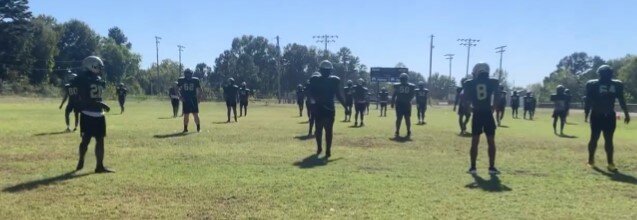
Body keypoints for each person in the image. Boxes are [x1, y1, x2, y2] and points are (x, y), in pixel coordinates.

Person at [585, 65, 630, 172]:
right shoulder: (615, 84)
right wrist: (626, 113)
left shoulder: (593, 84)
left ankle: (602, 161)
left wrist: (586, 114)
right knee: (599, 138)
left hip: (604, 115)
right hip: (602, 115)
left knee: (602, 139)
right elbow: (621, 100)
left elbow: (588, 102)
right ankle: (599, 161)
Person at [72, 56, 112, 173]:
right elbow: (85, 99)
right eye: (99, 66)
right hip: (88, 113)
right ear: (92, 65)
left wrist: (100, 105)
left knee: (100, 140)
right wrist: (101, 104)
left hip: (99, 114)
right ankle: (81, 159)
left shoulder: (98, 78)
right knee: (86, 140)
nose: (100, 69)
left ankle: (99, 166)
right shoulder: (83, 79)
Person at [463, 62, 500, 175]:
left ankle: (473, 167)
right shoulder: (493, 82)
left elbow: (465, 98)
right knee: (491, 141)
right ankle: (491, 167)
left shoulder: (470, 83)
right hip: (488, 114)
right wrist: (494, 107)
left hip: (477, 113)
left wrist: (469, 108)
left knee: (475, 141)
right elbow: (498, 95)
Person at [307, 60, 347, 159]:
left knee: (319, 129)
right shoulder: (333, 80)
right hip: (328, 108)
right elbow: (339, 95)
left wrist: (312, 103)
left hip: (320, 108)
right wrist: (346, 107)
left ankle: (321, 148)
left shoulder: (315, 79)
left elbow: (309, 93)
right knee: (328, 130)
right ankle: (326, 149)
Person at [391, 73, 416, 137]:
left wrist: (392, 102)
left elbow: (394, 95)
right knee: (406, 118)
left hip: (400, 104)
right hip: (406, 104)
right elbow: (413, 95)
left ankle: (398, 131)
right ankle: (407, 131)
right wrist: (408, 99)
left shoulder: (398, 86)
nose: (403, 80)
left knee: (400, 118)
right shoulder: (411, 86)